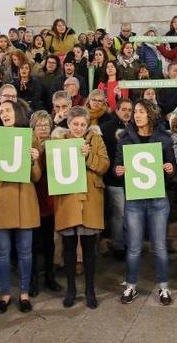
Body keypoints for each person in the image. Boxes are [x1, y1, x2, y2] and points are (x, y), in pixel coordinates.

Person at [114, 99, 176, 306]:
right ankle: (131, 285)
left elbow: (172, 169)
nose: (136, 115)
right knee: (133, 246)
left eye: (141, 111)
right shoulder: (124, 139)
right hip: (134, 200)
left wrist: (169, 169)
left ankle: (164, 287)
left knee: (159, 246)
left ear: (150, 114)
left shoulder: (164, 138)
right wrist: (118, 171)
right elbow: (117, 167)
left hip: (158, 199)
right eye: (135, 112)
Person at [0, 100, 40, 314]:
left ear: (17, 113)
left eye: (8, 110)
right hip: (0, 202)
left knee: (25, 253)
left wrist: (35, 160)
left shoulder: (30, 137)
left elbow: (36, 177)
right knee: (2, 253)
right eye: (1, 112)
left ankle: (24, 293)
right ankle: (5, 294)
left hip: (24, 201)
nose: (4, 114)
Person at [52, 105, 110, 309]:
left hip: (89, 198)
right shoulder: (58, 141)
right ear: (68, 124)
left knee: (88, 248)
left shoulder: (96, 139)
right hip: (67, 198)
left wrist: (88, 157)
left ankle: (89, 290)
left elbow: (104, 165)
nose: (78, 128)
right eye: (75, 124)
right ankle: (71, 289)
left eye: (82, 125)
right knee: (68, 247)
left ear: (88, 125)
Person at [28, 110, 63, 296]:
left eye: (46, 125)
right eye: (39, 125)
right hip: (32, 198)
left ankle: (50, 276)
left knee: (49, 243)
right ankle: (32, 280)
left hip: (49, 199)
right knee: (32, 244)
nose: (43, 128)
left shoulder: (56, 145)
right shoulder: (27, 145)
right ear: (33, 128)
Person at [100, 97, 133, 260]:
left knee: (130, 214)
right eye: (124, 109)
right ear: (117, 110)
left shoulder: (135, 128)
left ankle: (130, 245)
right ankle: (119, 246)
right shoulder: (106, 128)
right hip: (114, 181)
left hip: (133, 180)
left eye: (129, 110)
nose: (127, 113)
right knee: (119, 214)